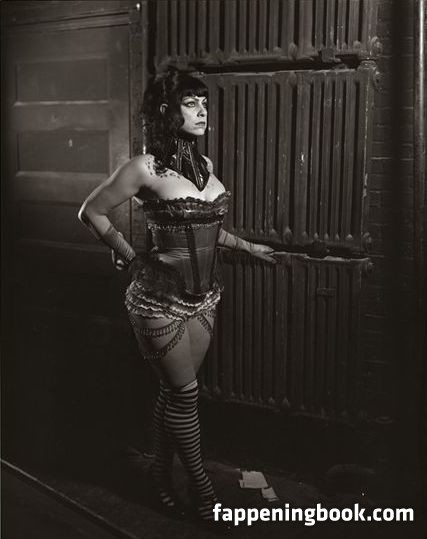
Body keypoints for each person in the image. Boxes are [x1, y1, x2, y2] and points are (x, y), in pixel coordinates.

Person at [78, 69, 276, 528]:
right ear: (167, 110)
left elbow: (207, 228)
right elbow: (91, 210)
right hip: (157, 300)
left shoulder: (204, 165)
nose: (202, 111)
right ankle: (202, 490)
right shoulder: (144, 168)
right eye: (191, 103)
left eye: (204, 103)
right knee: (186, 395)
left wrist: (248, 247)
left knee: (175, 393)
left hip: (204, 298)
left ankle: (160, 474)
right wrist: (128, 254)